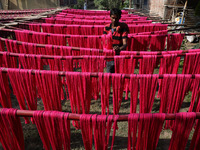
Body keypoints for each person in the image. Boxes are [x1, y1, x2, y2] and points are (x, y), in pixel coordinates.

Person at [103, 8, 129, 73]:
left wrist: (119, 48)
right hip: (109, 56)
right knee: (109, 74)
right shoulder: (106, 27)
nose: (114, 20)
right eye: (112, 18)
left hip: (120, 56)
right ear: (110, 17)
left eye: (116, 18)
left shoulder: (123, 27)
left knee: (120, 75)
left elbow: (125, 44)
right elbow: (104, 42)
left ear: (120, 17)